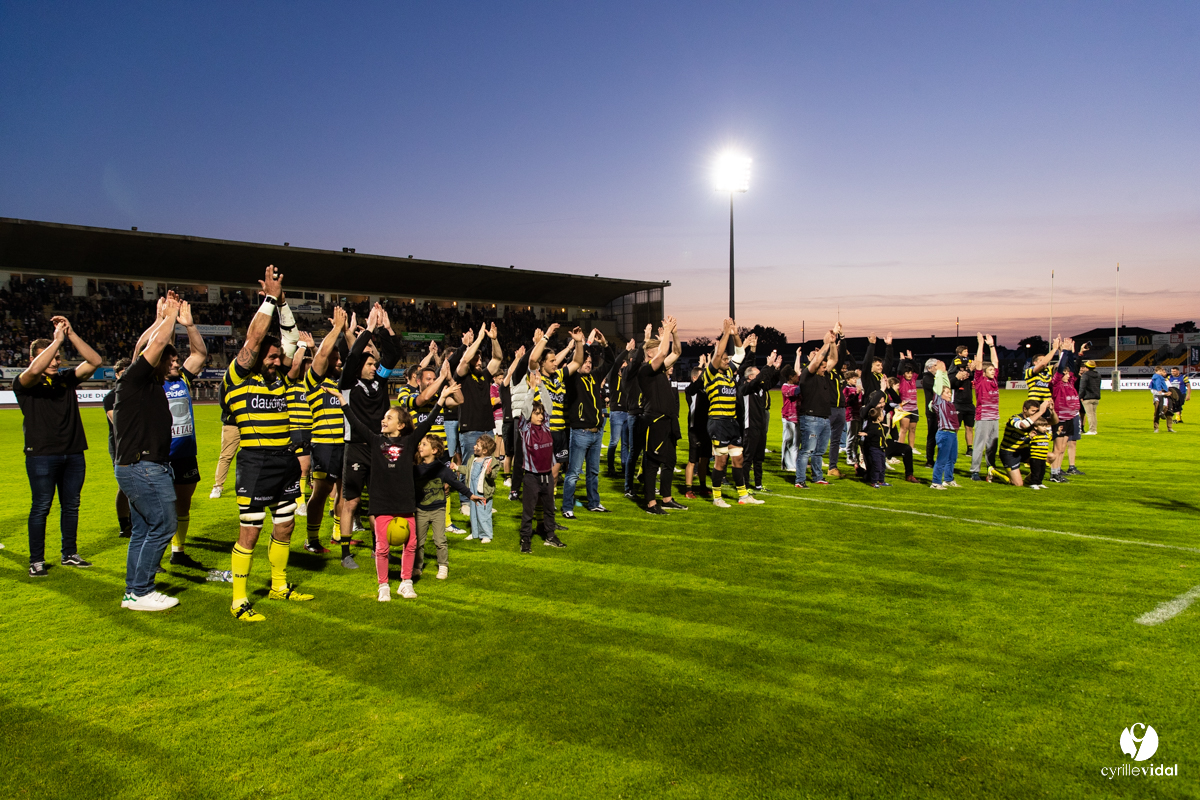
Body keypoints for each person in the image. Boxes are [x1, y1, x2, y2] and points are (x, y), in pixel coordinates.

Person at [223, 266, 312, 622]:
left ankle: (279, 585)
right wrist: (270, 300)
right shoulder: (238, 376)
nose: (279, 362)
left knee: (286, 524)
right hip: (256, 462)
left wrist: (285, 302)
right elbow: (252, 340)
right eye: (272, 358)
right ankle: (239, 600)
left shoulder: (281, 382)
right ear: (258, 358)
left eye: (278, 358)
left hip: (285, 460)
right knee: (250, 530)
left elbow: (291, 343)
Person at [345, 384, 466, 600]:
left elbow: (428, 422)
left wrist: (441, 400)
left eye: (389, 418)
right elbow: (356, 423)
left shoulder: (409, 442)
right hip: (381, 501)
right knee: (382, 547)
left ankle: (406, 582)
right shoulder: (375, 440)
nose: (384, 420)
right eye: (384, 417)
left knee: (410, 545)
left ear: (400, 425)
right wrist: (343, 402)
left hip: (405, 501)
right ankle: (383, 586)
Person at [14, 314, 103, 577]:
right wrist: (55, 341)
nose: (56, 360)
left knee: (71, 506)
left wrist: (71, 334)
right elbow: (32, 371)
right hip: (41, 455)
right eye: (50, 357)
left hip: (74, 452)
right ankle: (36, 560)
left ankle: (69, 554)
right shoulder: (25, 383)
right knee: (41, 507)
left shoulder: (65, 378)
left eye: (57, 356)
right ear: (35, 358)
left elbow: (95, 362)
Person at [113, 295, 182, 611]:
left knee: (142, 529)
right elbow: (150, 348)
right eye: (165, 358)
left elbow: (144, 344)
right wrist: (170, 319)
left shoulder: (142, 383)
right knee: (165, 525)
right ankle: (142, 591)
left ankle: (132, 591)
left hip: (139, 466)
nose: (170, 362)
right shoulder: (134, 381)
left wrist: (158, 320)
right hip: (144, 467)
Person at [142, 298, 208, 569]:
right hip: (159, 456)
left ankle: (177, 551)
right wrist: (161, 321)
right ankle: (152, 555)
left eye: (177, 359)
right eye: (170, 360)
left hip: (185, 454)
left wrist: (190, 325)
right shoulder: (150, 382)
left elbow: (200, 355)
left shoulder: (182, 379)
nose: (176, 363)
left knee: (183, 505)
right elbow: (142, 353)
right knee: (160, 510)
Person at [338, 304, 403, 568]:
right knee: (351, 500)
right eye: (369, 364)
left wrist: (386, 328)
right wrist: (370, 329)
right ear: (358, 367)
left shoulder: (379, 381)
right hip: (355, 447)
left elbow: (394, 354)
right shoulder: (348, 383)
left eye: (374, 364)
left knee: (378, 501)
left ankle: (381, 548)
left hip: (378, 446)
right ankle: (345, 553)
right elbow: (353, 355)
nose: (374, 367)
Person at [303, 308, 349, 555]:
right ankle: (311, 539)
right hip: (324, 445)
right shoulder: (314, 382)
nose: (339, 362)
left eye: (340, 358)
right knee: (320, 492)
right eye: (335, 358)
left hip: (345, 443)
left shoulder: (342, 383)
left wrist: (348, 332)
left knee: (344, 491)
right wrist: (336, 329)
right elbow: (320, 356)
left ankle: (338, 535)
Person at [411, 425, 480, 584]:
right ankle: (417, 566)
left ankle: (443, 565)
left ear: (434, 450)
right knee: (418, 541)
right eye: (420, 444)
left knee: (440, 540)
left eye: (424, 444)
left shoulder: (443, 470)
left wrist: (470, 495)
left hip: (437, 510)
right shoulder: (416, 468)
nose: (420, 447)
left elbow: (456, 484)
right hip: (420, 510)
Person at [703, 318, 759, 507]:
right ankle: (717, 497)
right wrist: (725, 332)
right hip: (717, 422)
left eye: (728, 359)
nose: (727, 361)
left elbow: (740, 352)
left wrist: (735, 334)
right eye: (725, 359)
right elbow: (718, 353)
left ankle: (743, 495)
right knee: (721, 461)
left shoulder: (728, 373)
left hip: (732, 422)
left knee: (738, 459)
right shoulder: (710, 375)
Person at [451, 323, 503, 514]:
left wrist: (494, 339)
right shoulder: (462, 375)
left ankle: (484, 499)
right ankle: (465, 502)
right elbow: (464, 361)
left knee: (486, 466)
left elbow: (498, 357)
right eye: (477, 357)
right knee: (467, 465)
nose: (479, 360)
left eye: (480, 357)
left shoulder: (485, 376)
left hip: (487, 428)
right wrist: (479, 338)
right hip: (470, 428)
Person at [639, 317, 688, 514]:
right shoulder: (645, 370)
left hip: (669, 421)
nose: (660, 352)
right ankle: (651, 503)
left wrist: (674, 332)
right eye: (657, 349)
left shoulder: (659, 369)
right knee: (652, 463)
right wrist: (666, 330)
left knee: (670, 460)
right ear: (650, 352)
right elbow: (664, 352)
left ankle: (666, 498)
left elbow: (676, 351)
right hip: (655, 421)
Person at [562, 328, 610, 517]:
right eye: (585, 361)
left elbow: (611, 362)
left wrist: (604, 344)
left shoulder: (595, 377)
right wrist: (582, 344)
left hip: (596, 432)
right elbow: (577, 359)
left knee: (593, 472)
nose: (589, 364)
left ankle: (594, 503)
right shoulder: (572, 379)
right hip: (580, 432)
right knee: (574, 473)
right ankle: (567, 507)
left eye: (591, 362)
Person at [516, 401, 568, 552]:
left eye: (541, 413)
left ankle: (550, 536)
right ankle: (525, 539)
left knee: (549, 509)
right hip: (531, 477)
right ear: (529, 415)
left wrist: (541, 386)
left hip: (547, 476)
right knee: (528, 511)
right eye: (536, 413)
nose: (540, 416)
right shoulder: (525, 429)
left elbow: (549, 406)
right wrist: (532, 389)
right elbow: (525, 409)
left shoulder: (545, 426)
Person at [794, 332, 839, 489]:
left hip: (825, 418)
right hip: (811, 418)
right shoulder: (808, 374)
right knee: (806, 450)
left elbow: (834, 359)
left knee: (819, 452)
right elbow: (817, 360)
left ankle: (817, 476)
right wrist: (826, 344)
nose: (825, 369)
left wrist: (833, 343)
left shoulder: (824, 374)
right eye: (823, 367)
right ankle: (800, 480)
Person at [738, 347, 781, 491]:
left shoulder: (759, 388)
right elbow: (760, 379)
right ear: (750, 377)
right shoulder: (745, 388)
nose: (760, 377)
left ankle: (758, 484)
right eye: (757, 375)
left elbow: (771, 381)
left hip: (761, 427)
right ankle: (744, 485)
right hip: (750, 427)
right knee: (748, 458)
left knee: (759, 459)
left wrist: (775, 369)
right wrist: (767, 366)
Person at [990, 399, 1053, 488]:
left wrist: (1052, 411)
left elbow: (1054, 422)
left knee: (1050, 457)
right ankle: (993, 472)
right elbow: (1023, 425)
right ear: (1024, 409)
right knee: (1018, 484)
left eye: (1036, 411)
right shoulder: (1015, 418)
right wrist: (1041, 411)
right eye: (1033, 411)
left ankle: (1031, 479)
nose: (1034, 414)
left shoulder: (1034, 419)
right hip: (1009, 452)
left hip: (1024, 450)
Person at [104, 358, 133, 538]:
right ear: (116, 375)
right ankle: (124, 523)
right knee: (124, 486)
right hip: (119, 447)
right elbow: (117, 422)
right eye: (123, 372)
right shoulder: (111, 397)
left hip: (138, 444)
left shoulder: (137, 392)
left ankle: (135, 520)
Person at [1049, 343, 1085, 481]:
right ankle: (1054, 473)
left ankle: (1057, 472)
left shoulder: (1069, 382)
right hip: (1060, 419)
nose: (1067, 375)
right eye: (1064, 373)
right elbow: (1061, 370)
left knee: (1063, 447)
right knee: (1057, 448)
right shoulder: (1056, 384)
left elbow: (1073, 369)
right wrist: (1064, 351)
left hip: (1069, 417)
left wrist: (1070, 352)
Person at [458, 434, 500, 543]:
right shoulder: (473, 459)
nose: (474, 447)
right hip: (473, 491)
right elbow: (467, 470)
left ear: (485, 451)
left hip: (483, 492)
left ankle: (486, 534)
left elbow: (493, 476)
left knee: (483, 514)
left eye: (478, 445)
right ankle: (475, 532)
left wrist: (489, 473)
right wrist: (457, 468)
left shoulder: (491, 462)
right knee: (474, 513)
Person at [970, 333, 1001, 481]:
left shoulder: (994, 379)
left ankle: (991, 469)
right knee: (979, 444)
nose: (993, 371)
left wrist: (992, 345)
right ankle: (975, 471)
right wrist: (981, 344)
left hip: (995, 418)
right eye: (990, 370)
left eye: (993, 370)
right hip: (983, 417)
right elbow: (979, 362)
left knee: (992, 446)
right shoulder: (980, 380)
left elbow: (995, 361)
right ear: (983, 372)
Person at [604, 338, 635, 478]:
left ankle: (624, 467)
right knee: (614, 442)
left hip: (627, 413)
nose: (623, 366)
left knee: (625, 444)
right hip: (616, 413)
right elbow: (616, 363)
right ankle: (610, 467)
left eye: (625, 364)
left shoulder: (627, 379)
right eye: (622, 365)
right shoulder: (613, 378)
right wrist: (626, 351)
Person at [684, 355, 712, 499]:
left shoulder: (704, 391)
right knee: (692, 460)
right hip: (695, 430)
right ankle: (688, 489)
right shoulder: (692, 391)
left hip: (706, 429)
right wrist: (705, 366)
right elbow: (694, 387)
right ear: (695, 378)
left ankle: (702, 486)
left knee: (704, 459)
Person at [209, 380, 240, 498]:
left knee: (253, 455)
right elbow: (223, 402)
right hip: (232, 424)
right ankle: (217, 486)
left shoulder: (253, 380)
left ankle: (253, 484)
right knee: (226, 456)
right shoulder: (227, 381)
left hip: (250, 424)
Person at [929, 380, 961, 489]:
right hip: (945, 433)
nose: (949, 394)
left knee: (952, 458)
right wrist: (940, 374)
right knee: (942, 459)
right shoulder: (939, 403)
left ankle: (948, 479)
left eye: (950, 392)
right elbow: (936, 393)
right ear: (941, 394)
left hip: (952, 434)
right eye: (946, 392)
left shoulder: (950, 405)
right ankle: (936, 482)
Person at [779, 356, 801, 473]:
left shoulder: (796, 385)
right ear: (790, 377)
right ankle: (787, 464)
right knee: (788, 441)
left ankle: (794, 464)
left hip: (797, 417)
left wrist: (798, 356)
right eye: (796, 376)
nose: (798, 377)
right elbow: (795, 392)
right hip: (788, 418)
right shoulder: (785, 387)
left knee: (796, 444)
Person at [1078, 359, 1101, 435]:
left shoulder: (1085, 375)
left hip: (1087, 397)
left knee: (1090, 414)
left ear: (1087, 367)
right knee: (1093, 414)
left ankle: (1092, 430)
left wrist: (1080, 396)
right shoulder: (1098, 375)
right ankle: (1094, 429)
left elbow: (1082, 387)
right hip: (1096, 397)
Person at [1151, 367, 1175, 433]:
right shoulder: (1154, 380)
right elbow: (1153, 391)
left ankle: (1169, 428)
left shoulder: (1166, 380)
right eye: (1163, 371)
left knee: (1169, 413)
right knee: (1157, 413)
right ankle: (1156, 428)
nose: (1164, 373)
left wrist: (1170, 392)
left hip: (1167, 399)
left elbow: (1170, 388)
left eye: (1164, 372)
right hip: (1158, 399)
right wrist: (1165, 393)